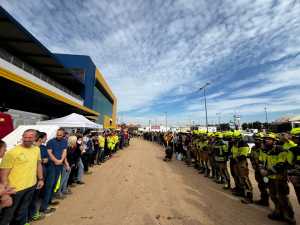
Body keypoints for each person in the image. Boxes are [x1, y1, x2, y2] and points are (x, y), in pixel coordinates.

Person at [0, 129, 44, 225]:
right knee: (8, 215)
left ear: (35, 138)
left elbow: (38, 164)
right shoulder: (12, 152)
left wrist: (40, 179)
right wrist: (5, 191)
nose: (27, 139)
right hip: (15, 189)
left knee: (22, 211)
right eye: (25, 137)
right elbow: (3, 173)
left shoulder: (36, 149)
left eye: (30, 137)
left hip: (31, 185)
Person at [259, 133, 296, 225]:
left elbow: (281, 164)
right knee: (273, 195)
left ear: (274, 141)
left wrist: (267, 171)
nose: (267, 140)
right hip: (270, 177)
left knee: (283, 197)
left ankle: (290, 217)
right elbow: (261, 161)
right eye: (266, 139)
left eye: (269, 139)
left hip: (279, 178)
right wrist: (261, 169)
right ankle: (278, 212)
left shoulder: (280, 150)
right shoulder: (263, 150)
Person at [40, 128, 67, 214]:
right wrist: (56, 160)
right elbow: (49, 153)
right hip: (51, 166)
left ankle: (49, 201)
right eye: (57, 134)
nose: (58, 136)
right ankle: (44, 207)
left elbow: (64, 151)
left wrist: (62, 160)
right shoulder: (51, 142)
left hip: (59, 165)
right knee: (49, 185)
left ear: (63, 135)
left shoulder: (64, 141)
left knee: (54, 184)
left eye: (60, 135)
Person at [288, 128, 300, 204]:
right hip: (297, 178)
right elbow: (289, 164)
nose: (294, 139)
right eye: (294, 137)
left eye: (296, 137)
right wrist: (290, 174)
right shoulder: (293, 149)